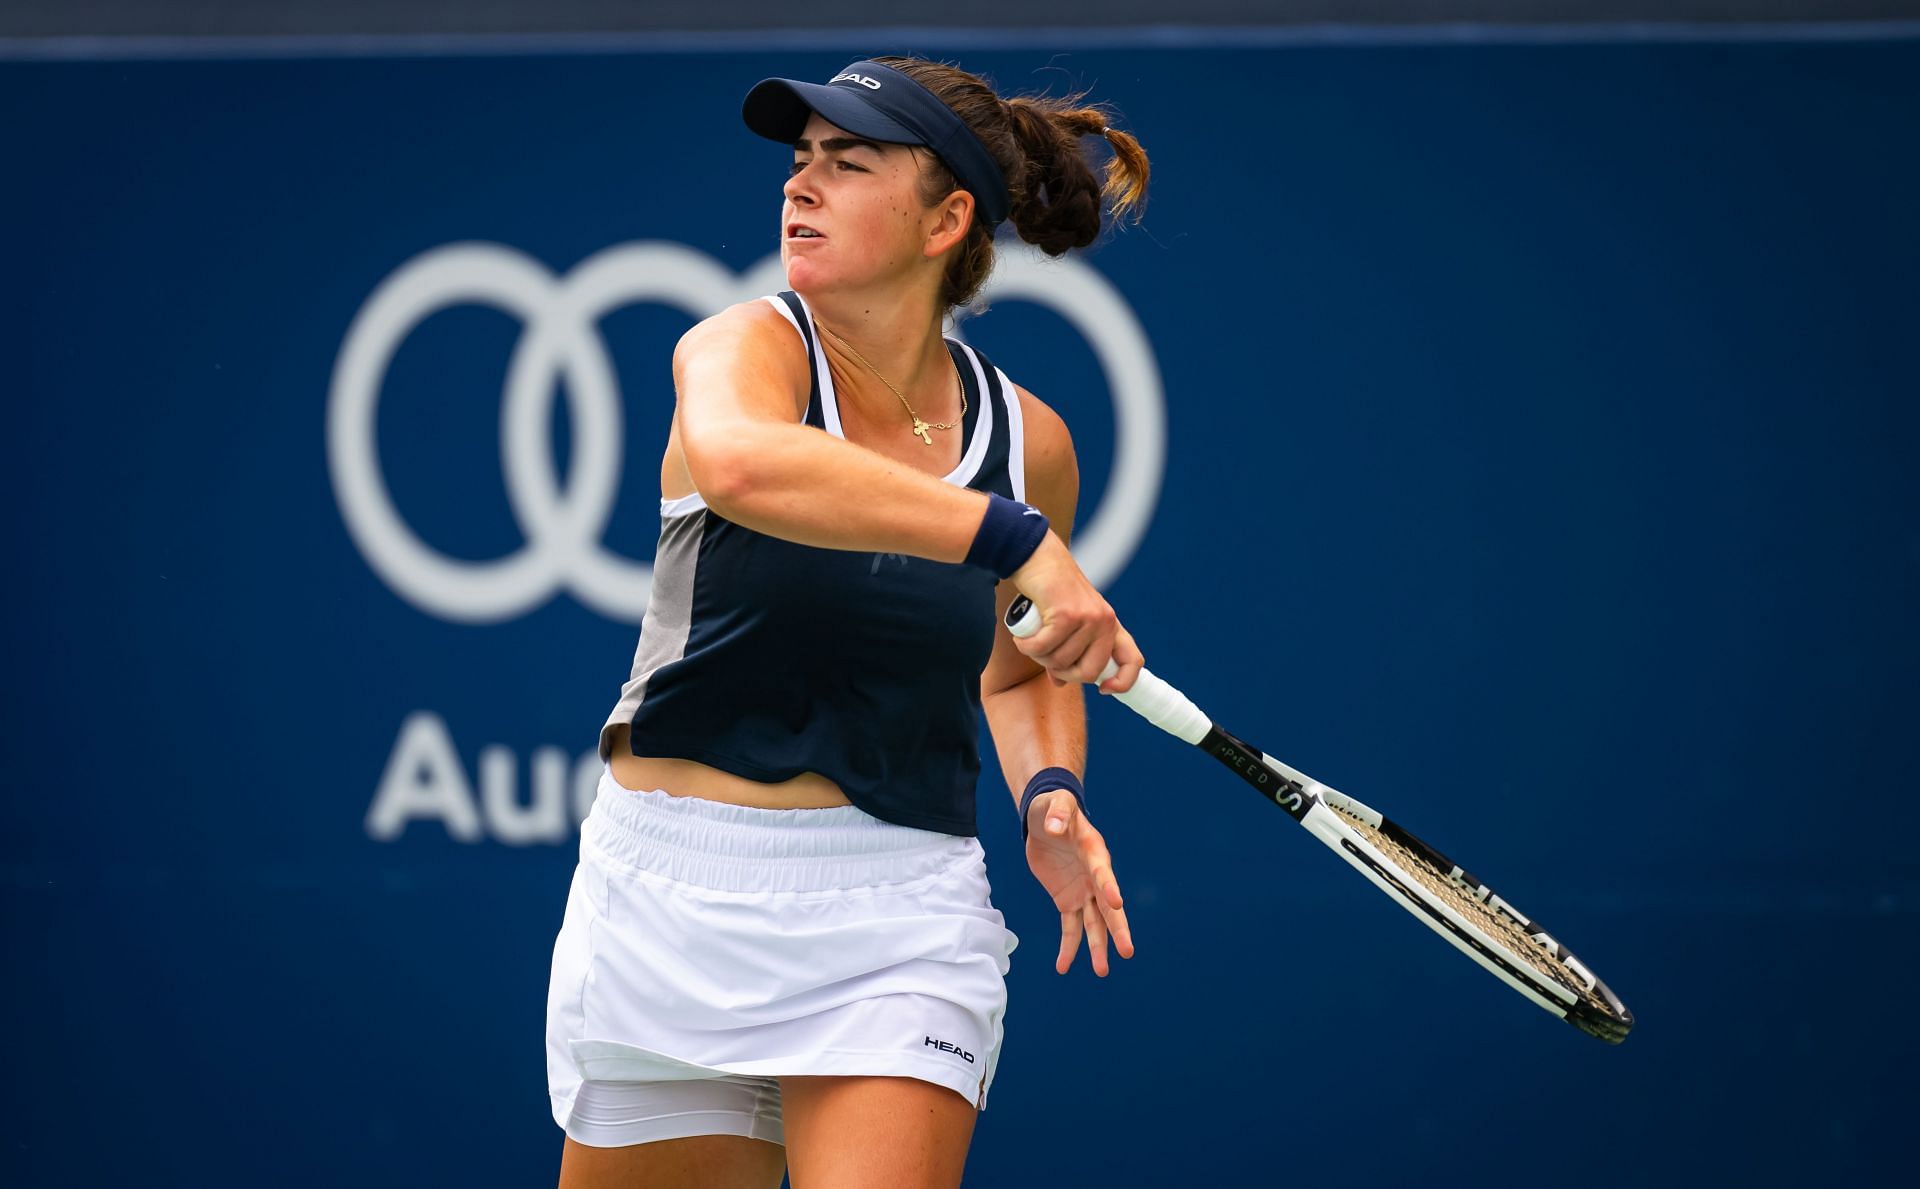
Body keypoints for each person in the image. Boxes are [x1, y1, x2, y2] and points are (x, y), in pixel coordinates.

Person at [545, 55, 1152, 1189]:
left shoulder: (1034, 443)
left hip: (898, 906)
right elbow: (739, 463)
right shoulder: (744, 350)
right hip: (670, 891)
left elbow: (1017, 672)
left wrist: (1052, 794)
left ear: (947, 219)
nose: (801, 186)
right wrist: (1009, 538)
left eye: (849, 162)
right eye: (800, 160)